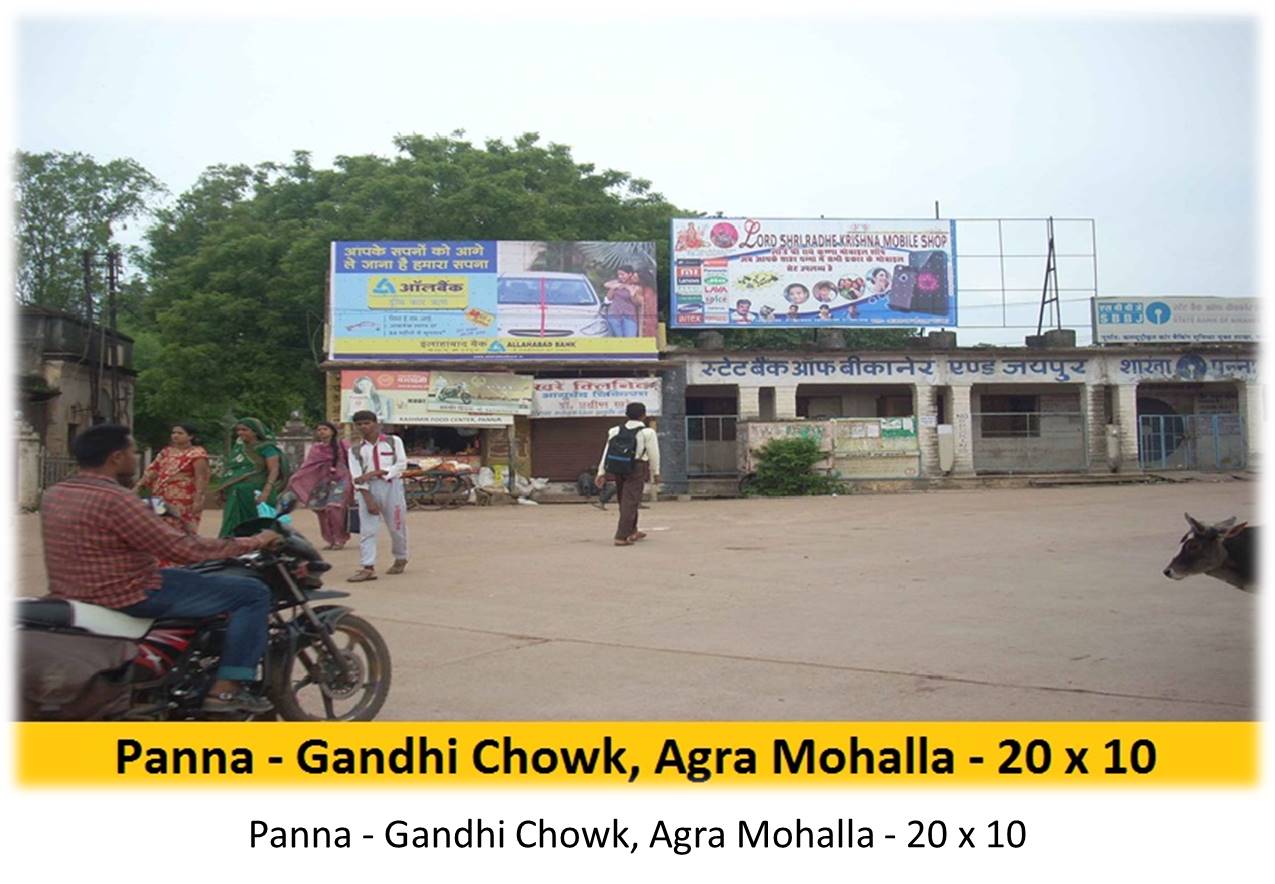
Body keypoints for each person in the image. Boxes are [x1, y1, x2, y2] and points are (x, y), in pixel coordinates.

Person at [41, 424, 282, 713]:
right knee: (252, 593)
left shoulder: (55, 493)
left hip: (72, 591)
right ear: (116, 457)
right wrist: (254, 541)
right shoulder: (117, 499)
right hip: (128, 593)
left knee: (189, 578)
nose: (135, 457)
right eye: (131, 452)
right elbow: (183, 550)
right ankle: (227, 689)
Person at [347, 410, 409, 581]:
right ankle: (367, 566)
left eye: (367, 423)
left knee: (397, 526)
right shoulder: (355, 450)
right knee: (367, 530)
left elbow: (401, 464)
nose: (363, 427)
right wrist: (368, 498)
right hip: (368, 489)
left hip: (391, 486)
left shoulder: (393, 441)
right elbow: (357, 476)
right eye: (359, 424)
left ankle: (401, 556)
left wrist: (377, 472)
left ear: (376, 423)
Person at [595, 402, 661, 547]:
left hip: (618, 467)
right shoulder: (647, 432)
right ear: (644, 415)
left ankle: (633, 530)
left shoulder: (615, 430)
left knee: (625, 500)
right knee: (630, 501)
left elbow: (607, 452)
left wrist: (601, 472)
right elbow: (654, 454)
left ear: (626, 415)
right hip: (636, 468)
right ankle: (621, 536)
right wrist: (655, 472)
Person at [285, 421, 353, 550]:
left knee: (334, 507)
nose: (322, 432)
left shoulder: (343, 445)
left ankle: (339, 538)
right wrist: (295, 478)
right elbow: (308, 465)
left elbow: (353, 461)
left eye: (325, 429)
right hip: (322, 481)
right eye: (319, 429)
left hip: (341, 479)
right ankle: (330, 539)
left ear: (332, 431)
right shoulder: (316, 448)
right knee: (321, 510)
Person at [216, 417, 286, 537]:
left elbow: (274, 470)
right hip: (237, 493)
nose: (240, 433)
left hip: (257, 492)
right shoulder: (239, 448)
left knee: (257, 524)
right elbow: (232, 470)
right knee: (233, 523)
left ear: (255, 432)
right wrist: (223, 489)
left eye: (245, 430)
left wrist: (266, 492)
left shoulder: (267, 448)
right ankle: (231, 544)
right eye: (238, 430)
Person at [138, 423, 210, 536]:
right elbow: (152, 471)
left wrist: (198, 499)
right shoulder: (166, 452)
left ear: (190, 436)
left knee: (181, 528)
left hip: (184, 498)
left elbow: (201, 477)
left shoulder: (197, 454)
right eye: (173, 433)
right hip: (161, 495)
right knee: (159, 527)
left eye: (180, 433)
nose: (175, 435)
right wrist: (138, 487)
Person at [603, 271, 641, 337]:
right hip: (614, 314)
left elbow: (637, 303)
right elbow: (609, 297)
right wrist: (614, 287)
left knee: (630, 338)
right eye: (619, 274)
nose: (620, 276)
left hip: (629, 316)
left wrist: (631, 292)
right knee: (618, 338)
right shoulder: (616, 283)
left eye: (622, 274)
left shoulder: (635, 287)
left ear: (629, 274)